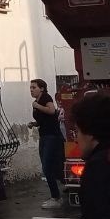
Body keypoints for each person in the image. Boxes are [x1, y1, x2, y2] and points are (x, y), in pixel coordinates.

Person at [30, 79, 64, 209]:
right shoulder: (36, 101)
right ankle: (59, 191)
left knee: (47, 167)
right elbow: (44, 118)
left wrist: (37, 106)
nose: (31, 90)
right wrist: (34, 123)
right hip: (44, 135)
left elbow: (51, 111)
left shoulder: (45, 97)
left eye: (34, 87)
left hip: (52, 136)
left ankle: (56, 197)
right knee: (49, 165)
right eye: (30, 88)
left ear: (42, 88)